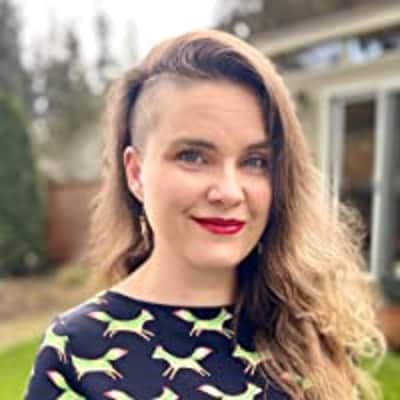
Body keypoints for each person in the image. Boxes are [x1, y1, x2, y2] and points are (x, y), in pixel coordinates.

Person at [24, 29, 386, 400]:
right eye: (193, 156)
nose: (229, 192)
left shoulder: (310, 333)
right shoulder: (75, 354)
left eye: (255, 161)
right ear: (135, 173)